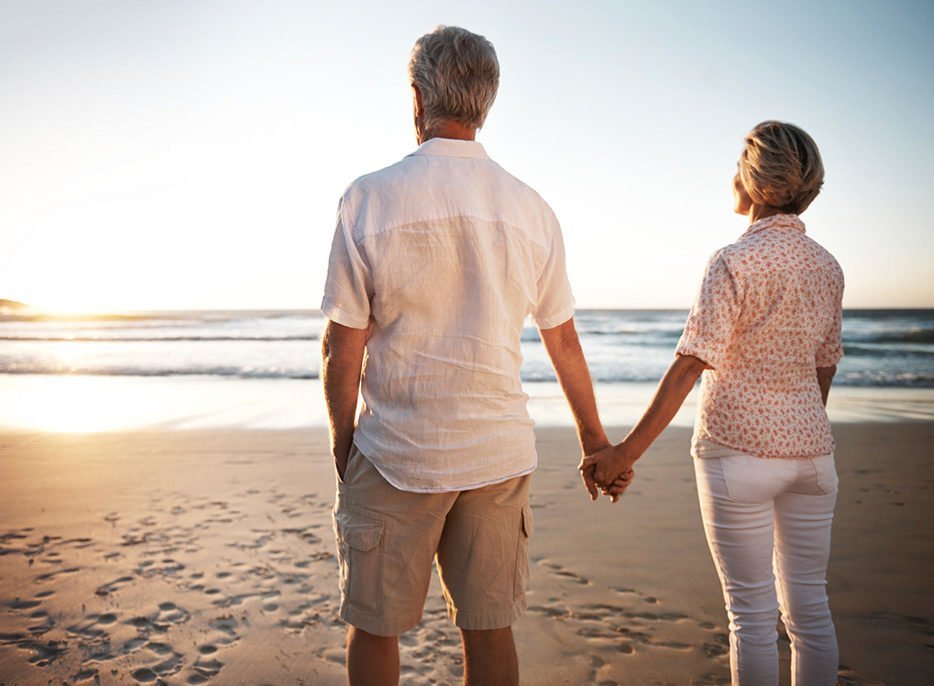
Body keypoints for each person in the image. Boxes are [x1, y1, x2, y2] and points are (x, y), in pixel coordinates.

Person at [321, 25, 629, 686]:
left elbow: (341, 349)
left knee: (374, 627)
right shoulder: (532, 209)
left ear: (416, 99)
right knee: (490, 632)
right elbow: (563, 340)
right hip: (495, 454)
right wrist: (596, 441)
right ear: (485, 102)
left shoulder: (368, 198)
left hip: (395, 450)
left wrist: (344, 443)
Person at [583, 121, 843, 685]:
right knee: (810, 612)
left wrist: (625, 452)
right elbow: (824, 365)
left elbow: (690, 363)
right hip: (814, 460)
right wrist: (797, 426)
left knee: (750, 618)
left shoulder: (731, 260)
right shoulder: (828, 266)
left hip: (737, 457)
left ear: (754, 182)